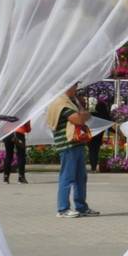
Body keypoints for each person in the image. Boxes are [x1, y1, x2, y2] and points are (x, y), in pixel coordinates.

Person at [46, 85, 98, 218]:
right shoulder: (61, 102)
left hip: (77, 143)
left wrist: (84, 114)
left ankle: (81, 207)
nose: (76, 89)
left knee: (81, 177)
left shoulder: (71, 101)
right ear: (67, 86)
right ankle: (63, 209)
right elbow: (78, 119)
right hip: (68, 145)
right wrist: (85, 114)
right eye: (74, 86)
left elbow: (83, 115)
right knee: (67, 177)